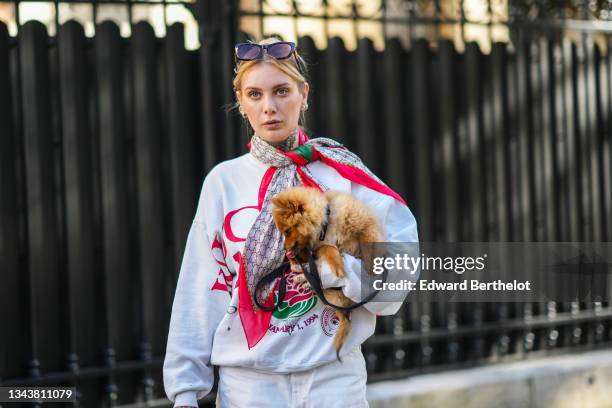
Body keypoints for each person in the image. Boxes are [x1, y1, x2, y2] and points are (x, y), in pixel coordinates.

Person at [163, 37, 419, 408]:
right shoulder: (224, 182)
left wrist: (334, 273)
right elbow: (202, 285)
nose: (269, 107)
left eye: (281, 91)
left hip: (333, 379)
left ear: (304, 93)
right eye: (255, 94)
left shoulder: (341, 173)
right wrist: (186, 391)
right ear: (241, 102)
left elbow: (403, 267)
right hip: (249, 387)